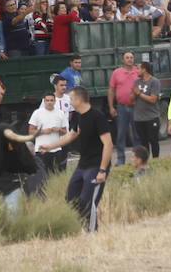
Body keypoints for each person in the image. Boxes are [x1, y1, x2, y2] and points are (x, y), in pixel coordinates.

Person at [37, 86, 113, 232]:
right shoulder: (78, 116)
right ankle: (80, 226)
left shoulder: (97, 116)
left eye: (71, 99)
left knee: (87, 201)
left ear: (78, 100)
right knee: (70, 198)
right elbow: (71, 135)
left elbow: (108, 144)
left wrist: (102, 170)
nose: (69, 102)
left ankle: (92, 233)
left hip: (96, 166)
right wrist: (49, 146)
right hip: (82, 165)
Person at [106, 50, 140, 166]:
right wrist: (111, 107)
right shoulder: (117, 73)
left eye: (131, 57)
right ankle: (121, 159)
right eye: (127, 57)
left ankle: (138, 158)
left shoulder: (138, 71)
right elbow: (111, 90)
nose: (130, 59)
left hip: (137, 107)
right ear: (122, 60)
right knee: (120, 134)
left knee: (137, 134)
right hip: (121, 107)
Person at [28, 91, 71, 174]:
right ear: (44, 101)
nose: (49, 102)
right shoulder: (37, 113)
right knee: (42, 174)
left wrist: (58, 130)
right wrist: (44, 131)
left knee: (57, 173)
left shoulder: (60, 113)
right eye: (47, 100)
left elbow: (65, 132)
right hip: (41, 149)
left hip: (56, 149)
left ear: (55, 102)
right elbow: (31, 131)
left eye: (51, 100)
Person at [132, 60, 162, 158]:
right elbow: (131, 98)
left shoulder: (154, 81)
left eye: (138, 69)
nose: (136, 71)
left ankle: (156, 160)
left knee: (153, 140)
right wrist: (134, 93)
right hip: (139, 118)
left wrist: (139, 94)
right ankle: (145, 163)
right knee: (143, 142)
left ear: (144, 70)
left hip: (151, 117)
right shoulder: (136, 82)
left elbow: (153, 99)